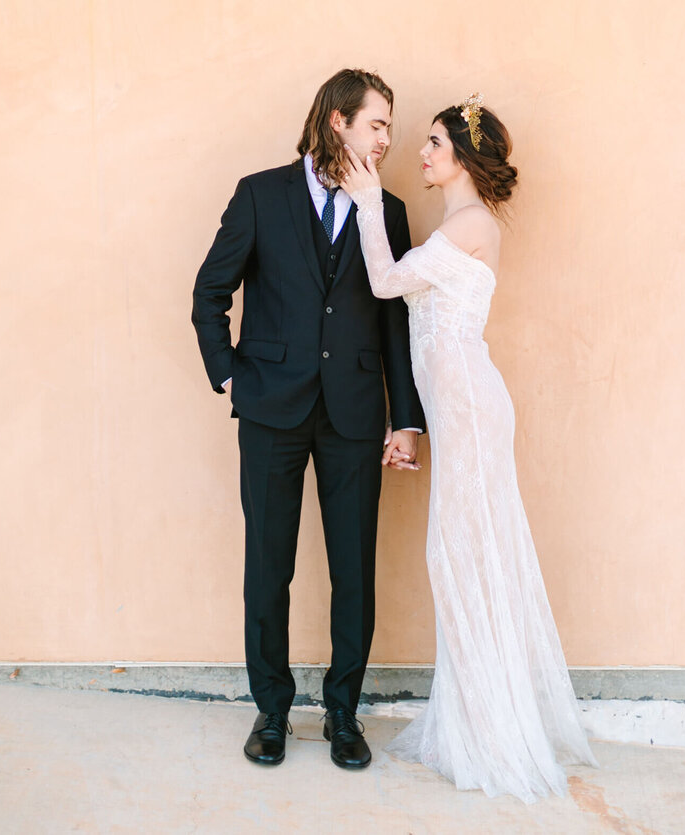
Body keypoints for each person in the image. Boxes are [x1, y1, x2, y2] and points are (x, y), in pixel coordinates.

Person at [339, 94, 597, 800]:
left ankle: (492, 730)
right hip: (459, 416)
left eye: (432, 144)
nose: (420, 153)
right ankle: (474, 721)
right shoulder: (456, 222)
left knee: (468, 556)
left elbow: (387, 281)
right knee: (458, 556)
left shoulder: (475, 222)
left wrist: (366, 201)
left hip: (476, 415)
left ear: (462, 155)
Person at [192, 69, 425, 770]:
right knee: (269, 563)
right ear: (337, 122)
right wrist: (230, 372)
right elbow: (210, 292)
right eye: (377, 123)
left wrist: (405, 418)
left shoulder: (390, 210)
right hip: (271, 409)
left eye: (389, 125)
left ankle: (344, 713)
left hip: (355, 413)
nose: (387, 137)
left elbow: (395, 326)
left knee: (353, 569)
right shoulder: (261, 194)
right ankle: (272, 708)